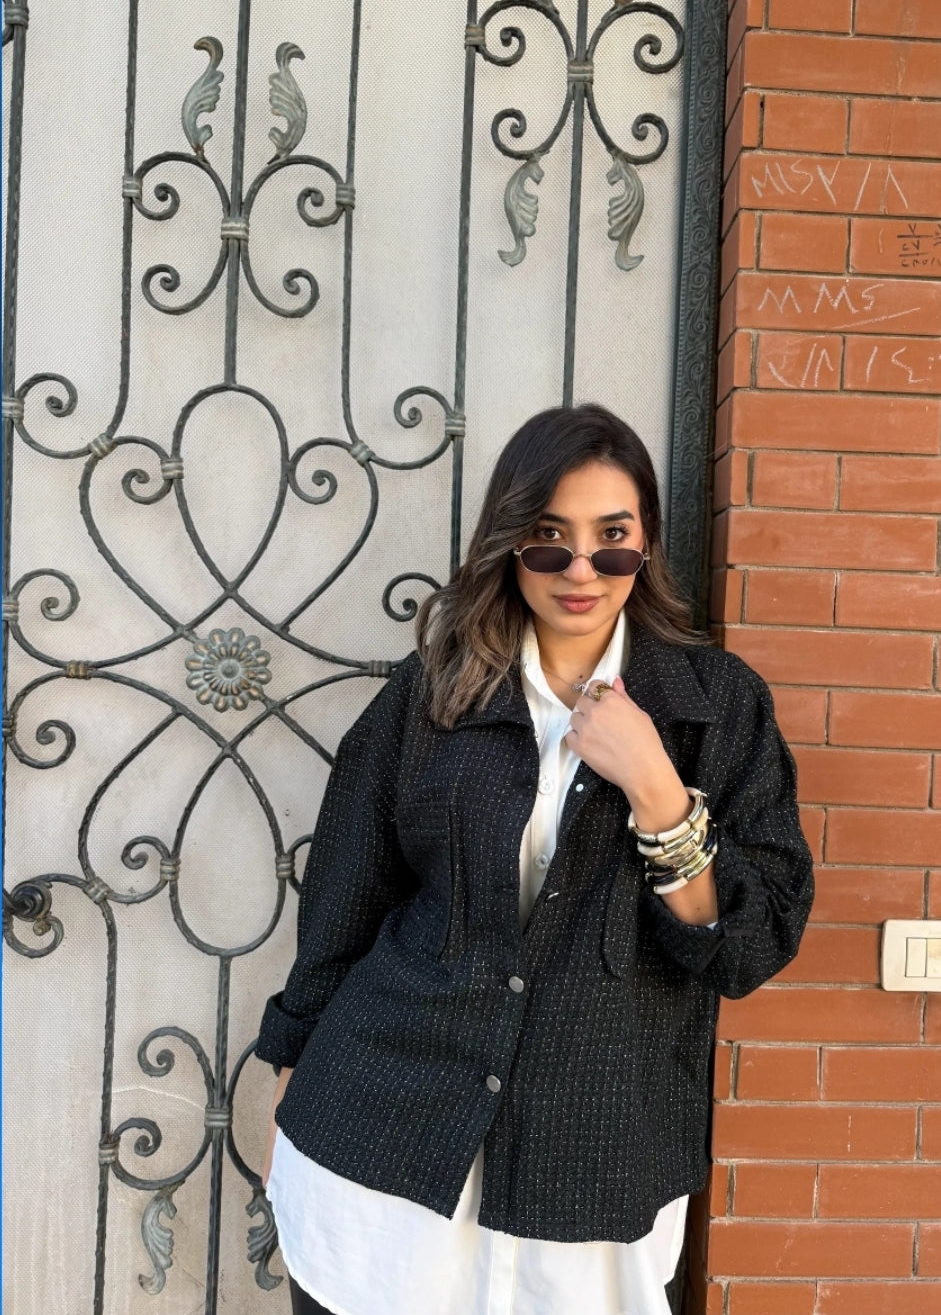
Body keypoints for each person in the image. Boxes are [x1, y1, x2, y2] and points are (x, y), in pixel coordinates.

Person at [255, 403, 814, 1315]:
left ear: (647, 544)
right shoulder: (434, 692)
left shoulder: (716, 706)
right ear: (510, 543)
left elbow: (751, 947)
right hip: (383, 1150)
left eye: (612, 539)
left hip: (591, 1162)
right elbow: (346, 896)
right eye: (549, 538)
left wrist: (656, 788)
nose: (581, 569)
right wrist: (289, 1071)